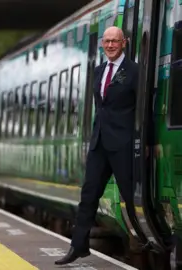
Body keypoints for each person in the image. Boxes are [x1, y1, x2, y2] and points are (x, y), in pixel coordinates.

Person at [55, 26, 140, 265]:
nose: (110, 45)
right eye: (107, 41)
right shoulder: (99, 70)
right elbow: (100, 108)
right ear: (102, 44)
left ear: (124, 43)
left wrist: (146, 142)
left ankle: (144, 242)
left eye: (115, 41)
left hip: (122, 144)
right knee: (88, 195)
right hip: (99, 143)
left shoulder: (134, 71)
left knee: (131, 197)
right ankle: (78, 246)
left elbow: (144, 109)